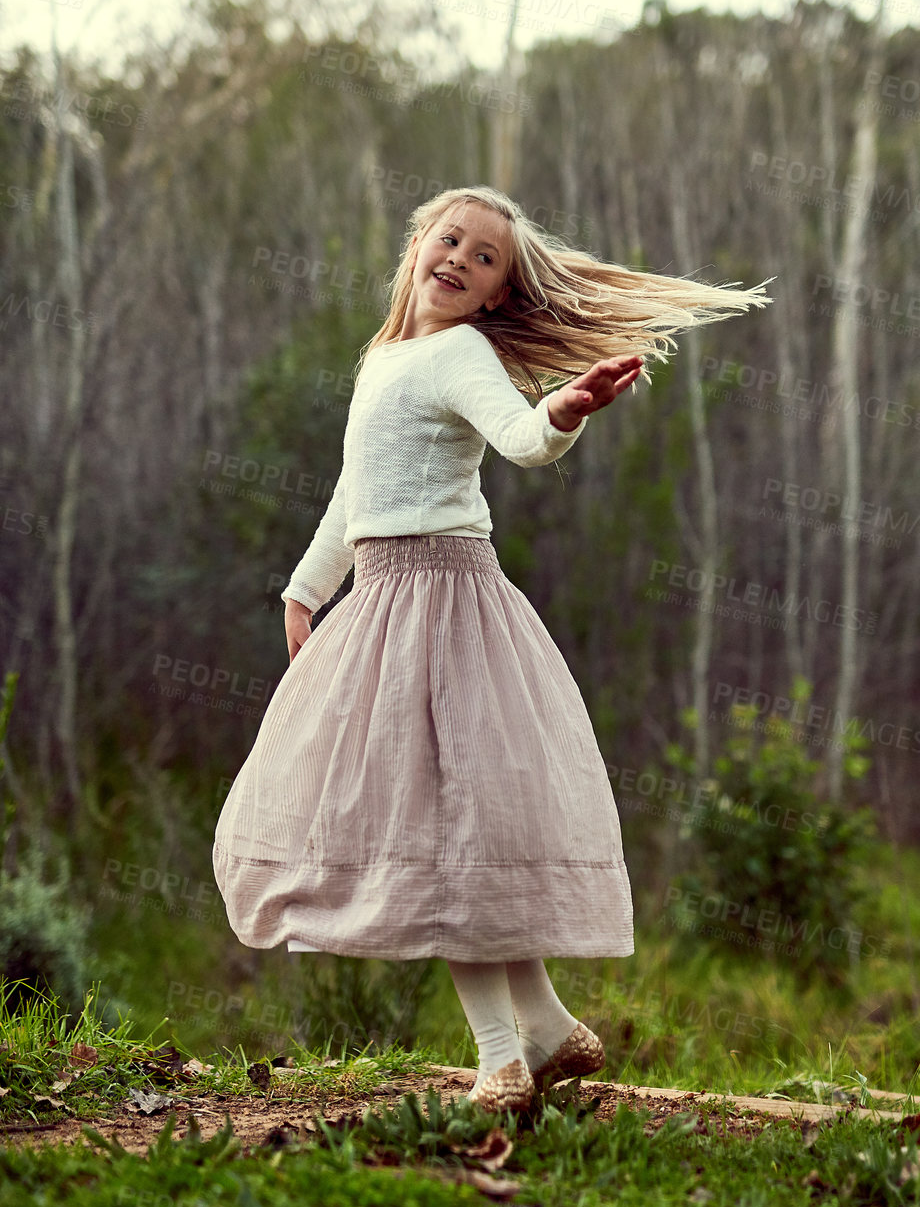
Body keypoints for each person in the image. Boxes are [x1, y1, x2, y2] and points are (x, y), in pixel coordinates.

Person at [213, 185, 771, 1111]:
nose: (460, 259)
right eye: (452, 239)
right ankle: (547, 1028)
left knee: (448, 837)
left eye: (484, 261)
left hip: (445, 603)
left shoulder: (462, 352)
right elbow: (355, 492)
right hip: (382, 602)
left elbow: (518, 441)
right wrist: (307, 586)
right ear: (418, 244)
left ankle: (501, 1058)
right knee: (445, 832)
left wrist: (566, 408)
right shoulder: (385, 359)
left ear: (491, 299)